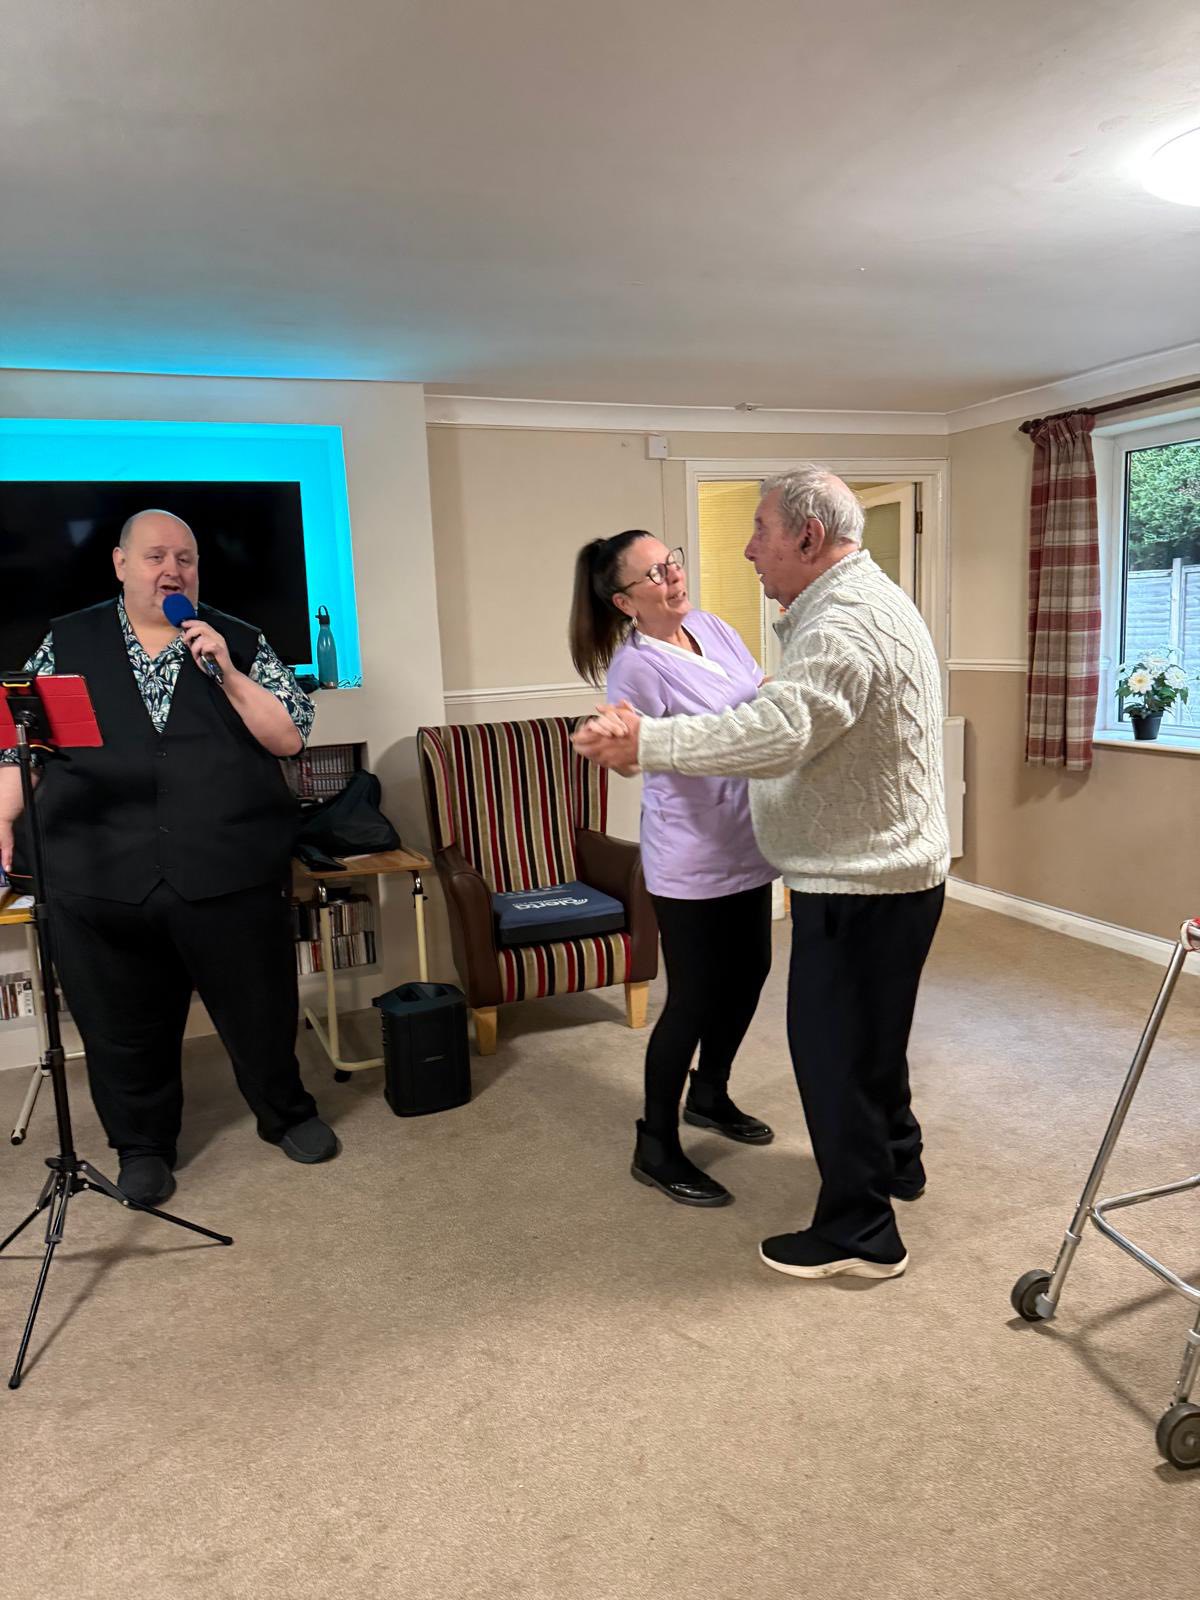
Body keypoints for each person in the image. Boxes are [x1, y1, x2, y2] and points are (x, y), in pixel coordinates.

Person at [574, 467, 949, 1281]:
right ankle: (878, 1161)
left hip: (851, 873)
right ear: (624, 599)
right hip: (746, 860)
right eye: (658, 570)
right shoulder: (860, 603)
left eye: (760, 532)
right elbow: (778, 716)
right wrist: (638, 742)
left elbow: (775, 724)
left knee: (834, 1047)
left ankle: (860, 1226)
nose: (742, 551)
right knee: (843, 1034)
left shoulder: (825, 622)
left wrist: (655, 742)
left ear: (808, 539)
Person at [0, 509, 338, 1206]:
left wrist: (226, 672)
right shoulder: (67, 641)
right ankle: (143, 1146)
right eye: (155, 556)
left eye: (184, 558)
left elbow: (289, 738)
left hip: (228, 869)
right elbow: (22, 745)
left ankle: (287, 1114)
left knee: (260, 1012)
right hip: (100, 875)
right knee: (122, 1025)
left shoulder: (237, 640)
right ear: (121, 565)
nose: (172, 570)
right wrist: (2, 820)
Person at [570, 532, 777, 1208]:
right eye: (655, 573)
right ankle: (654, 1144)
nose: (674, 576)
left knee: (751, 973)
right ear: (625, 599)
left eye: (674, 561)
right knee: (693, 998)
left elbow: (753, 701)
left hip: (748, 838)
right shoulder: (635, 669)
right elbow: (633, 758)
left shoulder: (713, 627)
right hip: (691, 857)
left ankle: (710, 1094)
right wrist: (616, 745)